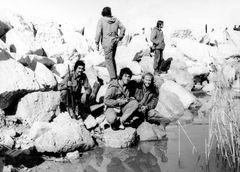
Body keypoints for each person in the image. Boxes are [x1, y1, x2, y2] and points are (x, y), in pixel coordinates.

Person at [95, 6, 126, 81]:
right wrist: (120, 37)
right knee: (112, 59)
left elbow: (98, 32)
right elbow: (123, 28)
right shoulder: (116, 20)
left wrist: (97, 42)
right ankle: (114, 76)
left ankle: (113, 79)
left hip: (106, 43)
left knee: (108, 60)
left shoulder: (101, 20)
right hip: (114, 42)